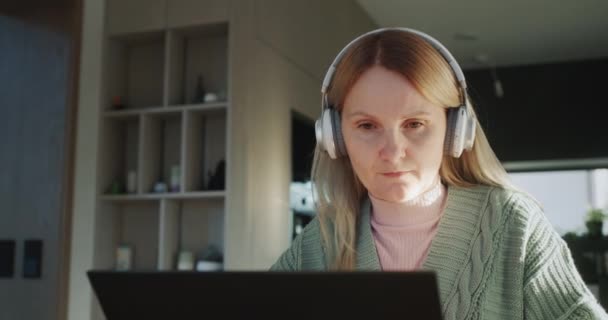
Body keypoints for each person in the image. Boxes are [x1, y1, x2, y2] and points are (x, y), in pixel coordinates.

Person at [269, 27, 608, 319]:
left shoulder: (515, 225)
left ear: (455, 131)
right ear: (335, 138)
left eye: (415, 124)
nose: (392, 150)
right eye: (367, 125)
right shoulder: (317, 244)